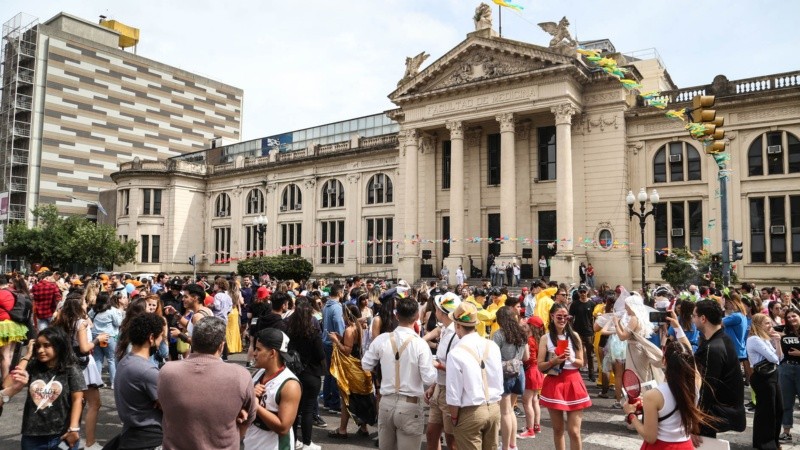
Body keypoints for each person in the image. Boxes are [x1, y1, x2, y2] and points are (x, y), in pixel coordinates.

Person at [159, 317, 257, 450]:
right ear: (221, 346)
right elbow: (249, 416)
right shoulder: (240, 375)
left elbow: (163, 406)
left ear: (192, 342)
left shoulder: (167, 371)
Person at [362, 295, 437, 450]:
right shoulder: (419, 344)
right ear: (417, 316)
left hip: (387, 402)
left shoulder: (382, 339)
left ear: (396, 316)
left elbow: (366, 364)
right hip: (410, 405)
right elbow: (429, 377)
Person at [3, 327, 86, 450]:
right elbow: (7, 385)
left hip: (62, 435)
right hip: (32, 436)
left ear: (59, 346)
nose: (41, 350)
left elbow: (77, 400)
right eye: (38, 346)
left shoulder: (71, 368)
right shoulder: (33, 366)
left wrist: (73, 429)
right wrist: (27, 356)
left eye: (47, 346)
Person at [623, 340, 711, 450]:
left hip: (661, 446)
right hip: (686, 445)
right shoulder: (696, 383)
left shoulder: (653, 396)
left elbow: (650, 437)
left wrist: (631, 414)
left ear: (664, 361)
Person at [678, 299, 745, 440]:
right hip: (722, 410)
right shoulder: (721, 339)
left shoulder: (713, 348)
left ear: (703, 319)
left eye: (694, 316)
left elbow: (707, 388)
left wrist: (697, 422)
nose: (693, 319)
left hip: (718, 412)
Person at [445, 302, 503, 450]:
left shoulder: (456, 353)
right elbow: (499, 378)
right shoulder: (492, 345)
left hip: (471, 410)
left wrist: (454, 417)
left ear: (458, 325)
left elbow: (453, 393)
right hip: (494, 407)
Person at [53, 295, 107, 450]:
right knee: (94, 403)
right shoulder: (80, 324)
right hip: (83, 366)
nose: (87, 304)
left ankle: (65, 442)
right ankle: (90, 442)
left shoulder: (62, 321)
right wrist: (98, 339)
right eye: (84, 302)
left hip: (67, 365)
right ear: (79, 305)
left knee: (75, 403)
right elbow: (84, 348)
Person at [538, 303, 591, 450]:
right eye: (559, 316)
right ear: (552, 316)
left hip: (573, 381)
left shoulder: (574, 336)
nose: (562, 320)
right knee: (558, 429)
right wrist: (554, 360)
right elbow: (540, 365)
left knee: (574, 431)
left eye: (565, 317)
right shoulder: (545, 338)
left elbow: (581, 363)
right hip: (554, 382)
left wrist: (570, 359)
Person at [243, 328, 302, 450]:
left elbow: (283, 427)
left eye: (258, 349)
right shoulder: (258, 373)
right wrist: (249, 395)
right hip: (252, 443)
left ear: (272, 353)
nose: (254, 353)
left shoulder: (290, 384)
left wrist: (256, 406)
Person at [113, 313, 165, 449]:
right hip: (149, 437)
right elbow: (168, 405)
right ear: (151, 338)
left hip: (132, 433)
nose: (161, 341)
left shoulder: (125, 361)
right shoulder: (147, 371)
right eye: (161, 338)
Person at [285, 298, 326, 448]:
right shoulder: (313, 332)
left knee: (294, 410)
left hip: (293, 372)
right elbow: (320, 354)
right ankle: (307, 443)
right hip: (311, 372)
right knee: (308, 410)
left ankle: (294, 440)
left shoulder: (288, 329)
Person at [423, 292, 461, 450]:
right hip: (440, 386)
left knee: (451, 439)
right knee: (431, 433)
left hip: (449, 390)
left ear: (440, 311)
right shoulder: (445, 329)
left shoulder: (456, 334)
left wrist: (437, 366)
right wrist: (433, 386)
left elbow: (459, 370)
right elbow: (436, 332)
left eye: (436, 308)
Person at [327, 304, 369, 439]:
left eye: (343, 315)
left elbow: (347, 350)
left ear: (347, 315)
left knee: (346, 398)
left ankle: (343, 430)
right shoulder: (358, 327)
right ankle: (363, 428)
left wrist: (335, 341)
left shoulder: (350, 329)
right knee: (359, 397)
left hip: (351, 367)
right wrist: (340, 337)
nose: (342, 317)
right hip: (359, 366)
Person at [493, 306, 529, 450]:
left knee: (505, 412)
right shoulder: (522, 333)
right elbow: (526, 357)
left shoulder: (499, 334)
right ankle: (512, 444)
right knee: (511, 410)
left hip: (504, 374)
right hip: (519, 372)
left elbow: (493, 357)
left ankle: (506, 447)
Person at [747, 313, 783, 449]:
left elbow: (779, 358)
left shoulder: (765, 339)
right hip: (763, 377)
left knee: (778, 409)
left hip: (773, 374)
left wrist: (778, 342)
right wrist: (775, 351)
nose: (770, 326)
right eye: (767, 323)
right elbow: (774, 359)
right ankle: (765, 444)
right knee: (767, 412)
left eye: (770, 323)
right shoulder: (755, 339)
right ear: (758, 325)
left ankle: (773, 441)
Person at [518, 316, 545, 439]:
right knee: (535, 400)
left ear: (531, 326)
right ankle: (536, 426)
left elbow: (527, 358)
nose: (525, 325)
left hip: (530, 372)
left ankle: (530, 430)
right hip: (538, 371)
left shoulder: (529, 340)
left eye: (528, 323)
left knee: (526, 401)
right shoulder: (540, 339)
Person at [89, 292, 122, 389]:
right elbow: (118, 323)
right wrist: (120, 313)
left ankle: (98, 382)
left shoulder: (93, 310)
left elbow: (89, 318)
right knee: (111, 359)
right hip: (108, 336)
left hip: (96, 336)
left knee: (98, 359)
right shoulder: (112, 310)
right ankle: (113, 383)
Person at [0, 273, 29, 380]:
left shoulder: (1, 293)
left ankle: (4, 381)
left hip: (3, 326)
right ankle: (8, 379)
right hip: (13, 326)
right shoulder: (13, 292)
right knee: (10, 354)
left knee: (4, 355)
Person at [322, 284, 345, 413]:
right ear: (340, 293)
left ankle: (327, 400)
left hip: (326, 341)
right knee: (335, 374)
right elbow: (338, 323)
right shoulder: (336, 307)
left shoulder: (326, 306)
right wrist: (341, 338)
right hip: (333, 343)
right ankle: (334, 403)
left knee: (329, 374)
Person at [779, 308, 800, 442]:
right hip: (785, 369)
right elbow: (762, 327)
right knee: (786, 403)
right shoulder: (783, 330)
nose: (791, 319)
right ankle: (786, 432)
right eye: (789, 317)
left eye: (794, 316)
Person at [569, 285, 596, 382]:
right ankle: (576, 372)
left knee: (590, 354)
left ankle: (591, 373)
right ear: (579, 293)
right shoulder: (575, 304)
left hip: (589, 332)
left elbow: (595, 318)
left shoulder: (592, 304)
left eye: (584, 292)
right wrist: (571, 330)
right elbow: (571, 318)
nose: (583, 294)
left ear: (587, 292)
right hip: (577, 332)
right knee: (577, 352)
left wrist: (594, 329)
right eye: (581, 292)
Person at [226, 278, 243, 354]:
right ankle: (235, 347)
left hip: (228, 311)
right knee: (235, 329)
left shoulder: (226, 293)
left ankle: (228, 347)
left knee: (228, 330)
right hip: (235, 311)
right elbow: (241, 302)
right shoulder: (238, 293)